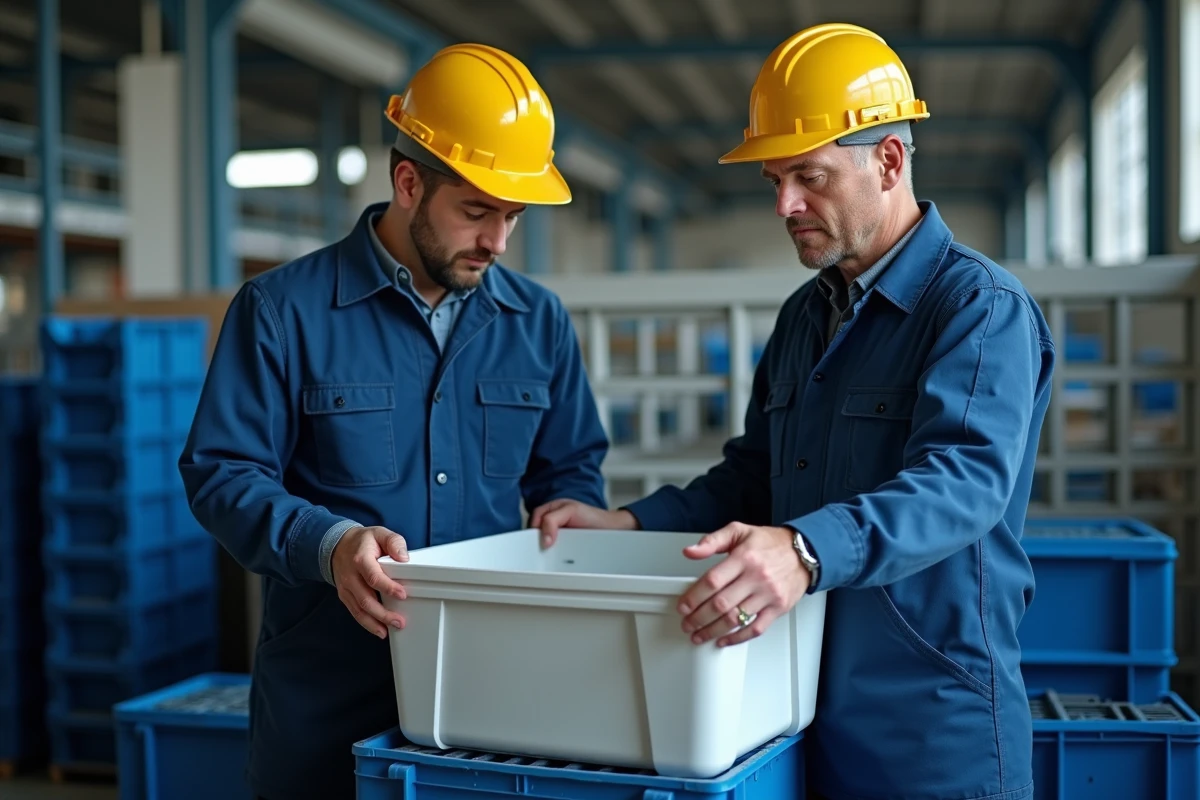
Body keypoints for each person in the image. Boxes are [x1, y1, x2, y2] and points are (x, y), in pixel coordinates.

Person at [533, 23, 1054, 800]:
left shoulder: (977, 309)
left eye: (808, 176)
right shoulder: (804, 317)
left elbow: (964, 480)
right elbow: (752, 476)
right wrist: (630, 524)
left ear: (888, 161)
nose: (785, 203)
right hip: (797, 701)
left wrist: (803, 552)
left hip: (933, 721)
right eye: (775, 179)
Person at [179, 43, 608, 800]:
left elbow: (570, 471)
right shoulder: (282, 311)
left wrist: (568, 524)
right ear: (408, 183)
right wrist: (330, 542)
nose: (498, 242)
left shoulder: (537, 322)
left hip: (492, 699)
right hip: (327, 701)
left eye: (513, 215)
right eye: (477, 212)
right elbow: (222, 473)